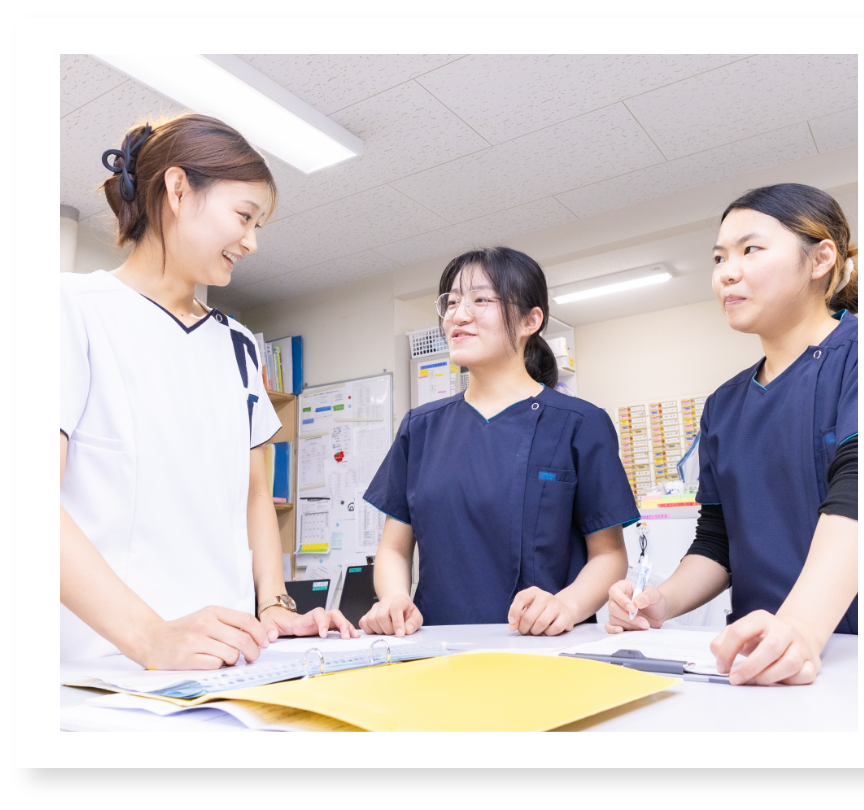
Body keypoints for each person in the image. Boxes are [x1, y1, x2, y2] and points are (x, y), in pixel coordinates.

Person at [60, 114, 358, 669]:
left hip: (229, 658)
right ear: (177, 190)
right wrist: (150, 638)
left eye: (257, 224)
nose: (251, 241)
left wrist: (273, 606)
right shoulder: (69, 309)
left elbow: (255, 493)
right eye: (244, 216)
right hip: (105, 665)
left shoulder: (239, 345)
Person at [606, 183, 858, 686]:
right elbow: (718, 540)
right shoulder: (724, 404)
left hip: (853, 651)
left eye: (750, 250)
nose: (726, 272)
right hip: (755, 656)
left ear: (820, 259)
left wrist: (801, 627)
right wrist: (661, 601)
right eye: (719, 257)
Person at [360, 247, 637, 637]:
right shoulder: (419, 428)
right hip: (435, 644)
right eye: (451, 302)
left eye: (480, 300)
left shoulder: (579, 423)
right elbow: (393, 547)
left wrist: (567, 606)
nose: (458, 315)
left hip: (544, 643)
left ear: (530, 320)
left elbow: (609, 555)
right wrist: (393, 599)